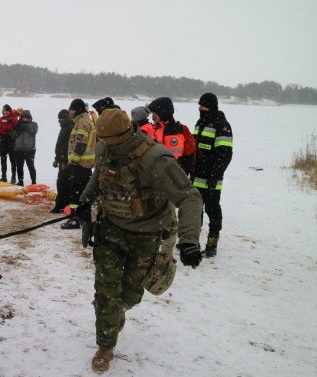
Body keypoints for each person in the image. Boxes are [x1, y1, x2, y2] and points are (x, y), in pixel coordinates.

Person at [78, 109, 203, 372]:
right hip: (111, 229)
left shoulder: (154, 158)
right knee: (106, 291)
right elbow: (98, 175)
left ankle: (120, 309)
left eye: (109, 143)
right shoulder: (105, 147)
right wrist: (84, 201)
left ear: (125, 135)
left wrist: (190, 239)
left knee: (131, 293)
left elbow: (189, 197)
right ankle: (105, 345)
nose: (104, 148)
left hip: (146, 234)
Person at [192, 93, 233, 257]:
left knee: (212, 210)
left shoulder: (222, 125)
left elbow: (225, 154)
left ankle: (212, 243)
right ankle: (192, 243)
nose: (199, 108)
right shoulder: (200, 122)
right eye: (199, 105)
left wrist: (214, 175)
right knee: (195, 211)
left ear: (210, 106)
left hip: (211, 179)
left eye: (202, 105)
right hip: (196, 176)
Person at [61, 99, 96, 229]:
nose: (69, 111)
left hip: (80, 165)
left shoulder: (82, 123)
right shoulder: (86, 121)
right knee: (82, 193)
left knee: (75, 193)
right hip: (85, 165)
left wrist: (73, 161)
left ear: (75, 110)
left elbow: (80, 144)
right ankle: (82, 218)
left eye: (70, 109)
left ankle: (75, 218)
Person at [145, 97, 196, 175]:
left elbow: (172, 162)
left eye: (154, 114)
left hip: (170, 178)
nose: (152, 117)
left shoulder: (172, 132)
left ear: (163, 114)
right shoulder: (160, 128)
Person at [51, 109, 75, 213]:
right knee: (62, 183)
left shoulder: (70, 128)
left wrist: (65, 161)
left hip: (67, 161)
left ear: (66, 118)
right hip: (62, 160)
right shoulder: (64, 127)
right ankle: (63, 203)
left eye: (60, 119)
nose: (59, 122)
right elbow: (60, 145)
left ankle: (61, 204)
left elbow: (68, 147)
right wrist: (57, 158)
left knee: (63, 183)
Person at [12, 110, 38, 186]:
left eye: (27, 117)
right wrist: (19, 128)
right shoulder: (17, 124)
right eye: (23, 117)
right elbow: (13, 135)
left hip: (30, 149)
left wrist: (26, 126)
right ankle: (20, 181)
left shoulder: (34, 124)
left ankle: (33, 181)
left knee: (30, 165)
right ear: (21, 117)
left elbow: (34, 131)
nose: (25, 118)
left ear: (29, 117)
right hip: (19, 149)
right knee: (19, 166)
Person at [0, 104, 18, 183]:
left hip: (11, 142)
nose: (5, 113)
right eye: (4, 111)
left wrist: (10, 125)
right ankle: (4, 177)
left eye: (7, 111)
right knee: (3, 160)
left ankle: (13, 177)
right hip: (2, 142)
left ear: (10, 111)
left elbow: (17, 131)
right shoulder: (0, 119)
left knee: (13, 160)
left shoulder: (14, 119)